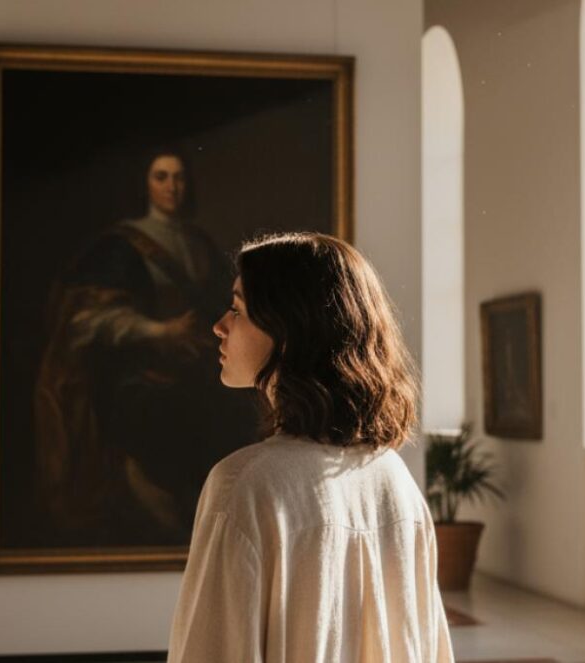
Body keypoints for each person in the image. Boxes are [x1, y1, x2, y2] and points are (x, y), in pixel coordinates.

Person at [167, 232, 455, 662]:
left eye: (238, 309)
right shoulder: (395, 480)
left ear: (289, 330)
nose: (220, 326)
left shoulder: (245, 485)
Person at [33, 149, 256, 546]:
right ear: (145, 184)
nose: (172, 186)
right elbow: (85, 319)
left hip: (200, 373)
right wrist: (159, 331)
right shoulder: (121, 245)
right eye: (161, 176)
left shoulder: (200, 244)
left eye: (179, 177)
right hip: (139, 376)